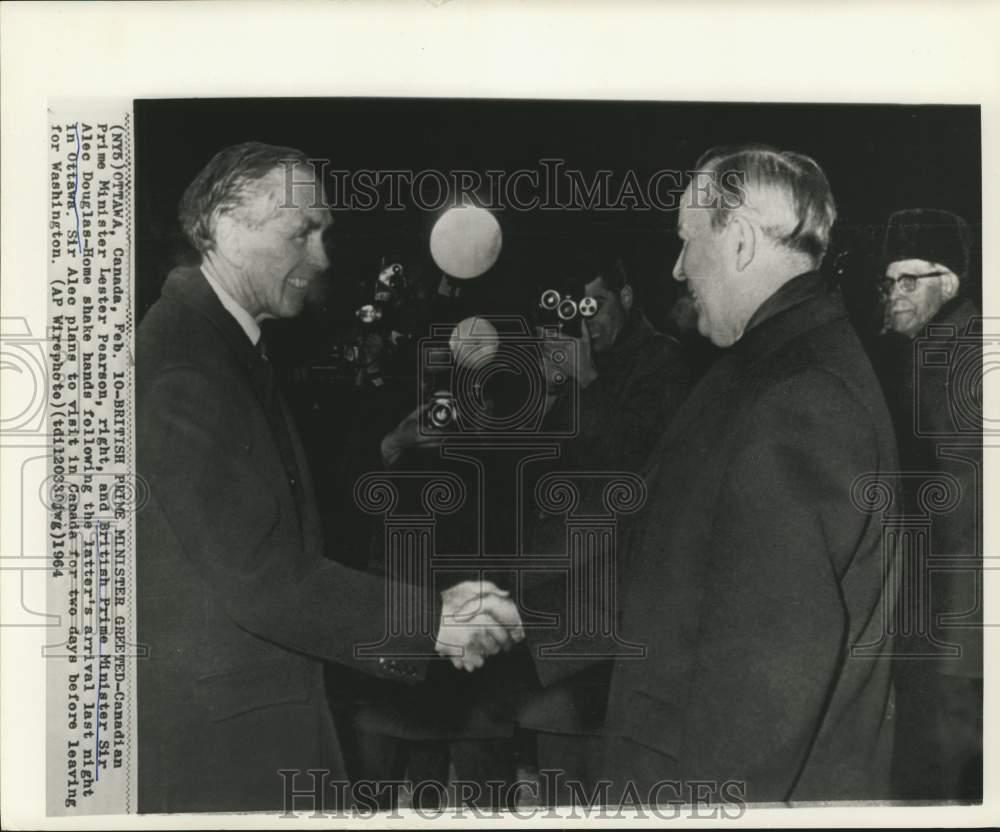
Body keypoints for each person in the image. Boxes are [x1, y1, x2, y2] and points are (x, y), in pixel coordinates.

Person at [135, 142, 521, 813]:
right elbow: (263, 578)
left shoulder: (217, 347)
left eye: (323, 233)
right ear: (225, 225)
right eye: (300, 233)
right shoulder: (188, 371)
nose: (321, 259)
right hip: (228, 746)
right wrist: (430, 621)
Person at [529, 145, 900, 804]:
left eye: (685, 242)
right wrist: (523, 617)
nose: (676, 268)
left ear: (738, 241)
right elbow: (674, 556)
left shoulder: (799, 394)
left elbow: (761, 704)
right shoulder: (769, 364)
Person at [518, 252, 694, 803]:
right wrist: (548, 394)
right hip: (563, 603)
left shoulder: (665, 364)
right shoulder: (582, 365)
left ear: (628, 298)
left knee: (604, 774)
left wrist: (588, 381)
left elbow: (631, 477)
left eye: (597, 306)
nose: (587, 322)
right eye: (579, 311)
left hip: (619, 606)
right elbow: (533, 472)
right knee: (557, 766)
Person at [875, 208, 982, 801]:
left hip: (952, 620)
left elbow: (956, 506)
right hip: (944, 617)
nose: (894, 295)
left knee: (941, 779)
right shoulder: (935, 349)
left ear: (950, 282)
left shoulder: (959, 356)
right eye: (889, 282)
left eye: (909, 280)